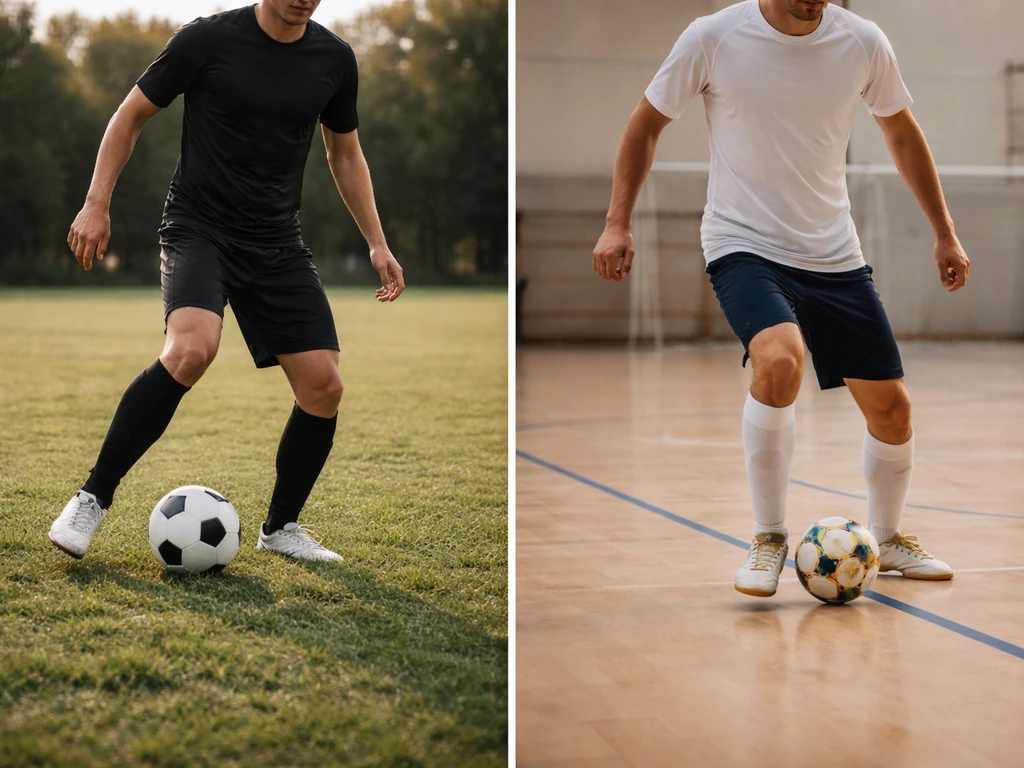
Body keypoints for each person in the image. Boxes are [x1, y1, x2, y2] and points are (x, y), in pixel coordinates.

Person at [593, 0, 969, 596]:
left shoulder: (864, 42)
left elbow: (900, 132)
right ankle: (769, 537)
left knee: (893, 411)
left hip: (834, 254)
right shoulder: (713, 37)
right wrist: (618, 221)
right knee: (779, 360)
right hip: (743, 244)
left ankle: (889, 538)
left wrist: (944, 233)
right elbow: (645, 124)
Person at [49, 0, 405, 564]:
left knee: (324, 387)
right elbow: (130, 114)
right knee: (192, 349)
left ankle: (281, 527)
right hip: (199, 227)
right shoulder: (207, 39)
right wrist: (97, 202)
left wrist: (378, 242)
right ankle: (91, 497)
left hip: (276, 242)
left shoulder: (334, 59)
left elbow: (345, 154)